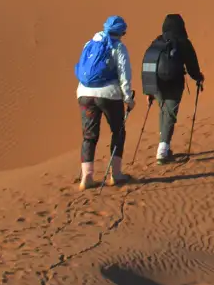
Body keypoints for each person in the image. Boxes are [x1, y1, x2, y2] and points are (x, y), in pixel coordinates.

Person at [74, 15, 134, 190]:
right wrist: (128, 99)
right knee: (118, 131)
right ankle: (115, 175)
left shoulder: (89, 44)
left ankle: (86, 177)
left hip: (84, 94)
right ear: (121, 31)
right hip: (109, 95)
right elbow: (125, 75)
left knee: (89, 136)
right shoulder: (118, 48)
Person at [146, 13, 204, 164]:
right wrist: (198, 77)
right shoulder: (183, 42)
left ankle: (163, 142)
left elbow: (149, 62)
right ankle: (163, 150)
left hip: (156, 83)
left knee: (164, 111)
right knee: (170, 114)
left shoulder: (157, 41)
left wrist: (149, 89)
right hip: (174, 81)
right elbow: (192, 64)